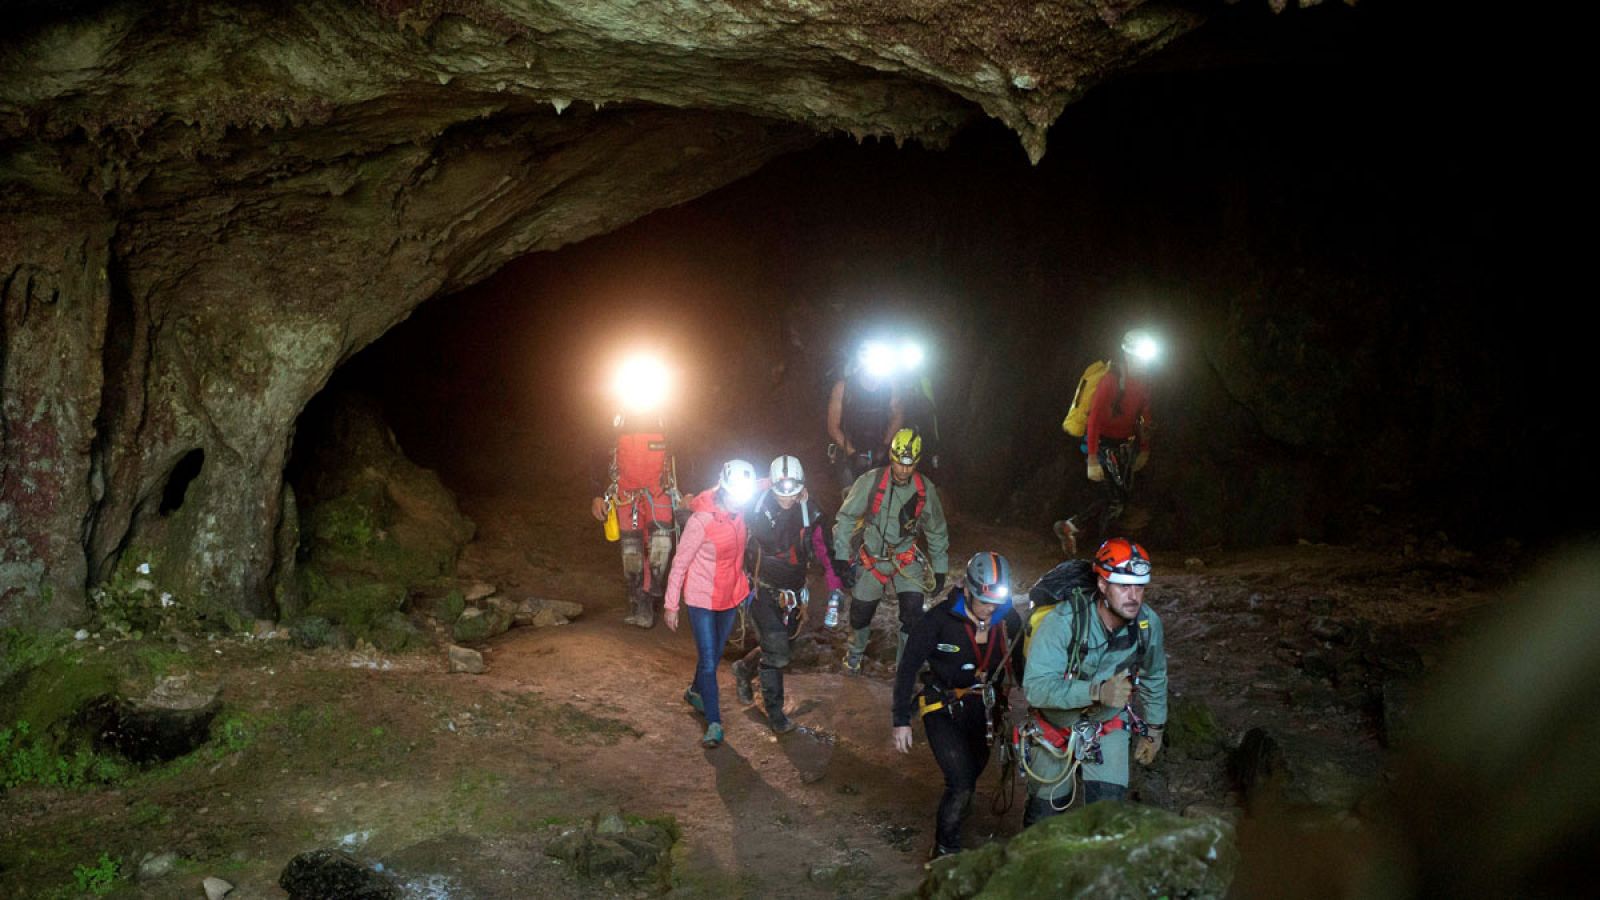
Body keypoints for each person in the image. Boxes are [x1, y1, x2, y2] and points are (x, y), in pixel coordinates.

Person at [1018, 537, 1167, 825]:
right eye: (1124, 586)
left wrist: (1155, 729)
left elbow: (1154, 674)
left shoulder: (1147, 625)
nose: (1133, 596)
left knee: (1107, 822)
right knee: (1043, 826)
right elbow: (1036, 688)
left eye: (1139, 587)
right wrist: (1097, 691)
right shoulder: (1063, 623)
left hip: (1106, 726)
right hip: (1055, 727)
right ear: (1102, 586)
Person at [892, 552, 1025, 859]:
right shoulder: (938, 620)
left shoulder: (1008, 618)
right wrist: (901, 719)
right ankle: (944, 849)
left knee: (973, 770)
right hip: (942, 705)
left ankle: (958, 808)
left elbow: (1018, 662)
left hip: (985, 708)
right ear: (967, 590)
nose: (989, 610)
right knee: (962, 781)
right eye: (983, 603)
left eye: (995, 604)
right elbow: (908, 667)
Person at [730, 455, 846, 734]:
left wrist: (835, 588)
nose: (786, 497)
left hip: (792, 595)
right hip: (760, 590)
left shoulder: (811, 515)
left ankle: (743, 670)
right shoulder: (754, 505)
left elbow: (825, 554)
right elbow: (721, 506)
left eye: (792, 490)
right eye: (780, 489)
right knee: (778, 652)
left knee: (783, 647)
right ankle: (775, 712)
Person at [832, 426, 950, 672]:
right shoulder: (871, 481)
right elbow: (845, 518)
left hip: (905, 560)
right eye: (899, 463)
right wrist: (842, 557)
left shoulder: (923, 490)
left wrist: (940, 569)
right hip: (872, 559)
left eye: (909, 464)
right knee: (860, 614)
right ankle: (854, 656)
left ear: (916, 462)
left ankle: (905, 666)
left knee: (913, 613)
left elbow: (936, 530)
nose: (903, 470)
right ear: (892, 458)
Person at [664, 459, 757, 748]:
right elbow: (680, 563)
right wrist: (671, 604)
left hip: (728, 597)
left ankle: (694, 691)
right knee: (708, 660)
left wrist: (790, 487)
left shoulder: (739, 513)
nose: (738, 502)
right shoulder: (701, 520)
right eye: (734, 495)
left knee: (714, 655)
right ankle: (715, 722)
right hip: (702, 599)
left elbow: (764, 483)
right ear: (724, 488)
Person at [1053, 329, 1156, 557]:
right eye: (1139, 357)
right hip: (1103, 443)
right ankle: (1106, 550)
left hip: (1125, 445)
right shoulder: (1111, 380)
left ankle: (1072, 527)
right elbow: (1095, 418)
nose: (1142, 362)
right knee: (1115, 500)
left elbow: (1144, 416)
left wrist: (1144, 449)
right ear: (1128, 355)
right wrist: (1092, 457)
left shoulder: (1145, 381)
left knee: (1117, 498)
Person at [591, 411, 680, 628]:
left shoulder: (666, 417)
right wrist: (595, 494)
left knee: (661, 546)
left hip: (658, 493)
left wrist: (688, 491)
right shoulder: (615, 417)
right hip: (626, 496)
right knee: (632, 552)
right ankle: (638, 600)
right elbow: (596, 456)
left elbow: (686, 453)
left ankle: (651, 596)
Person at [826, 341, 904, 490]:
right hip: (849, 450)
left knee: (886, 498)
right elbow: (833, 426)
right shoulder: (842, 388)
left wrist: (885, 446)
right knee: (851, 500)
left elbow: (897, 416)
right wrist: (853, 454)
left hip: (881, 448)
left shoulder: (891, 386)